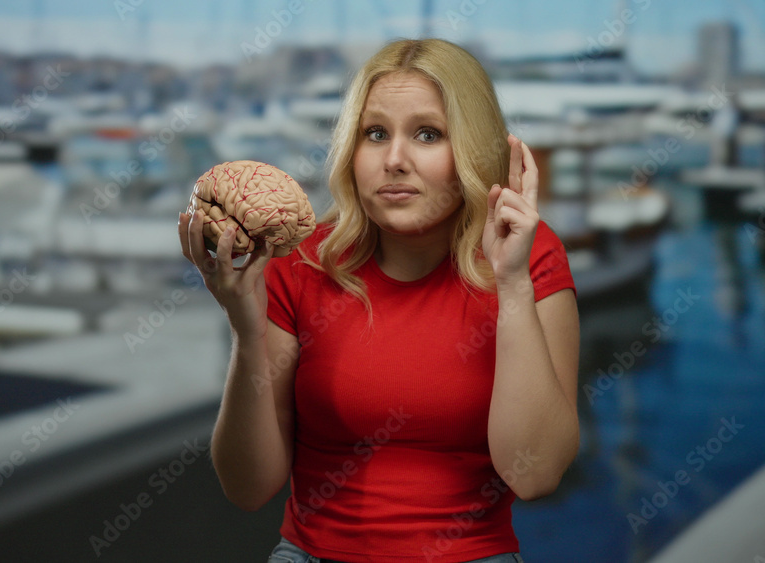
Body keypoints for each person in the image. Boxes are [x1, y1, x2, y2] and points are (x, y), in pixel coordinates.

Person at [178, 38, 580, 563]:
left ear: (474, 149)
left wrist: (512, 286)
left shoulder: (526, 252)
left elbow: (536, 474)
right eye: (375, 134)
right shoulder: (299, 262)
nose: (394, 160)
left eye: (428, 134)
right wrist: (246, 331)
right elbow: (247, 488)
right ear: (351, 150)